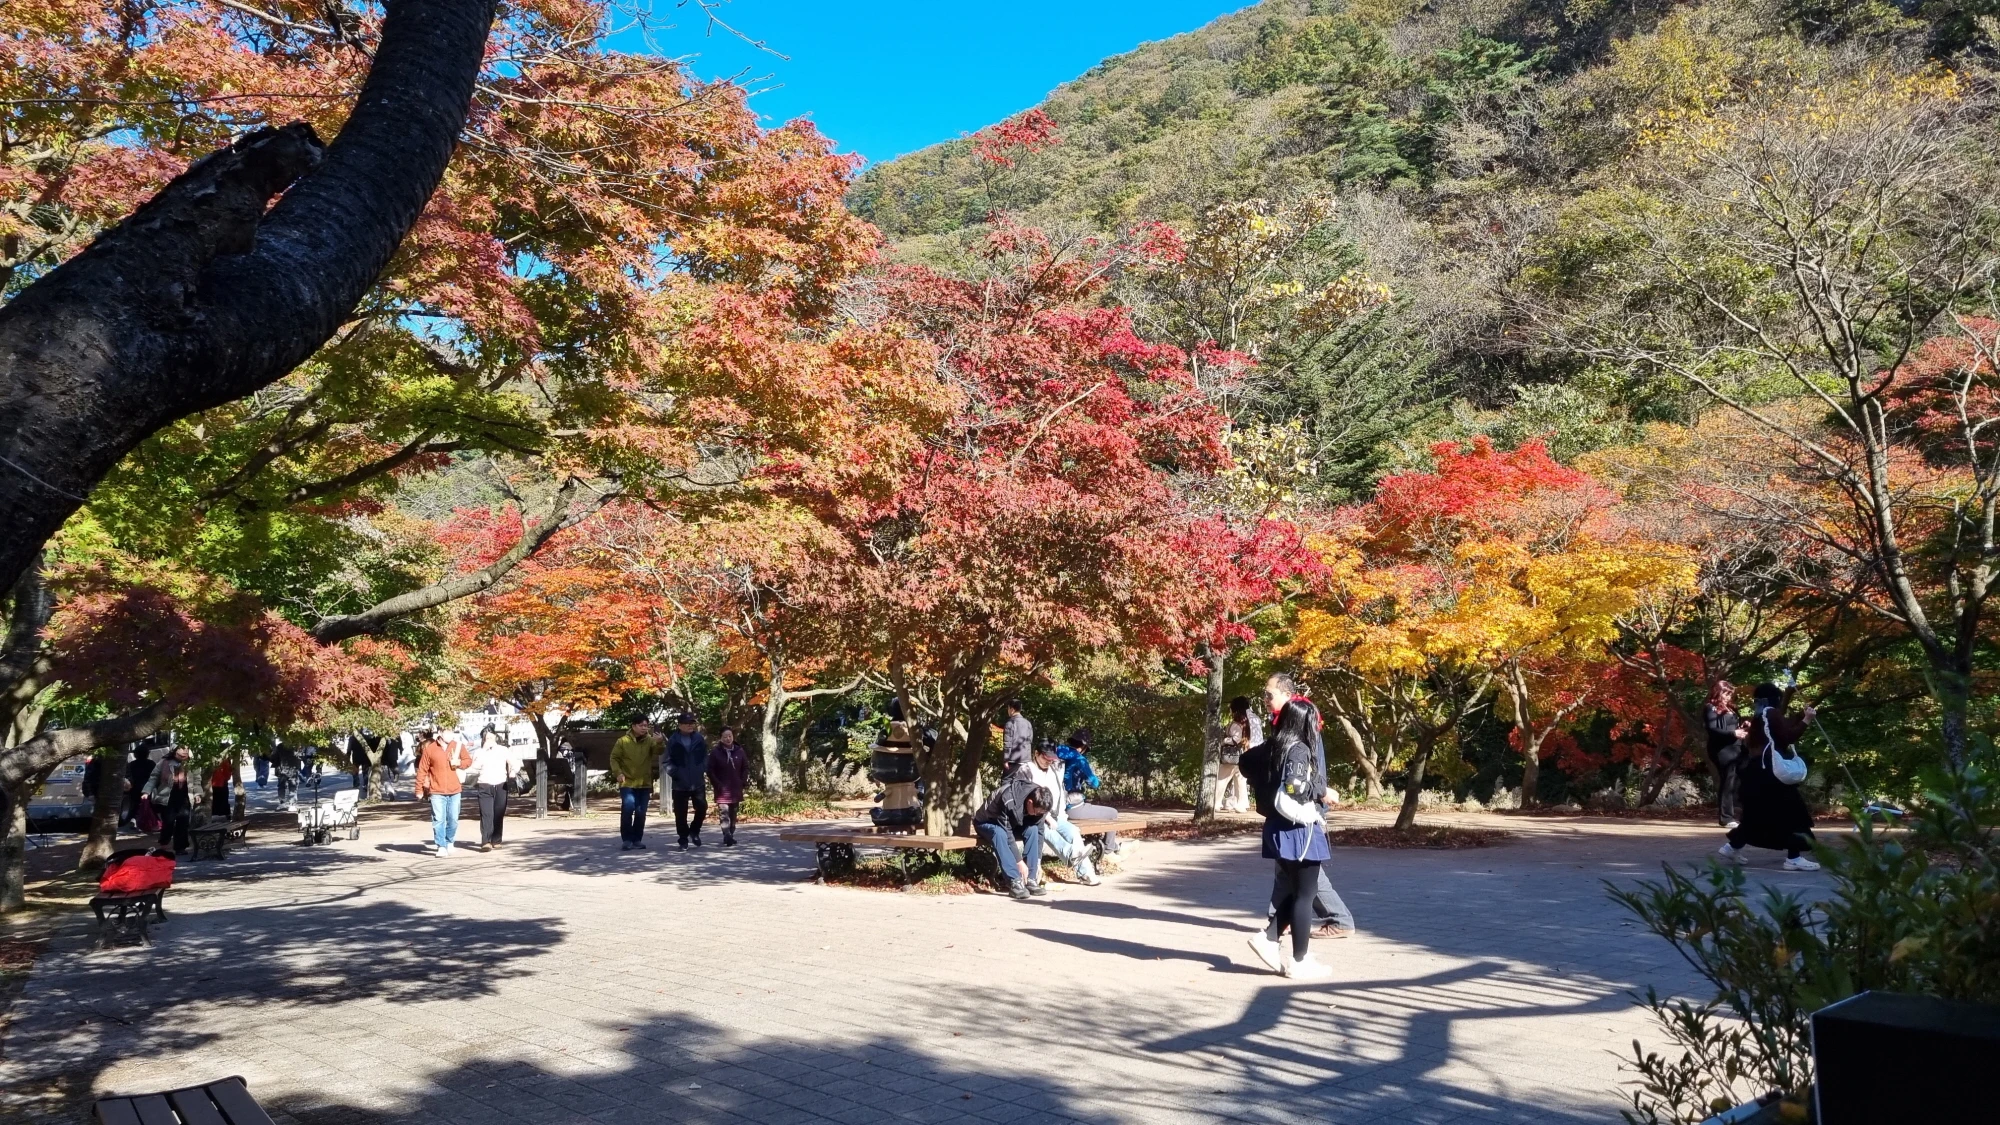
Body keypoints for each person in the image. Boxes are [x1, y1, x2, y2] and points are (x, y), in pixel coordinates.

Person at [1242, 686, 1336, 980]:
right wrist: (1322, 793)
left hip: (1277, 827)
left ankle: (1269, 938)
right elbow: (1295, 786)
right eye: (1315, 721)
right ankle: (1299, 960)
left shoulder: (1275, 746)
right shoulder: (1299, 748)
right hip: (1298, 829)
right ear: (1306, 721)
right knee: (1305, 895)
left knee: (1297, 891)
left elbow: (1246, 764)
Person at [1718, 683, 1820, 871]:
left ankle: (1732, 847)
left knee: (1759, 813)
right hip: (1771, 772)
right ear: (1775, 698)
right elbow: (1788, 737)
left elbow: (1771, 735)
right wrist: (1807, 719)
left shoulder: (1759, 715)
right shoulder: (1772, 713)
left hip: (1757, 770)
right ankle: (1794, 858)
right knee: (1792, 812)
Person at [1025, 744, 1099, 886]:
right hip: (1035, 815)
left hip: (1054, 815)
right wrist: (1049, 819)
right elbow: (1032, 802)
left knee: (1073, 831)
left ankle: (1086, 874)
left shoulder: (1054, 768)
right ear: (1036, 754)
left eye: (1051, 759)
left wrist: (1059, 817)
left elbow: (1058, 795)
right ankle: (1072, 854)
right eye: (1045, 758)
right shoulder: (1029, 770)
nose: (1048, 762)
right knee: (1049, 831)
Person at [974, 773, 1052, 901]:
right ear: (1030, 802)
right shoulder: (1008, 799)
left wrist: (1037, 861)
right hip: (987, 822)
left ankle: (1031, 879)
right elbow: (1007, 834)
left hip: (1013, 824)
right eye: (1037, 812)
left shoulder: (1041, 802)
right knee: (999, 833)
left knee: (1032, 829)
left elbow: (1039, 831)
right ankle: (1014, 881)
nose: (1038, 815)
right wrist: (1019, 862)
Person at [414, 729, 473, 858]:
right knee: (438, 819)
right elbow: (422, 769)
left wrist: (460, 763)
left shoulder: (458, 746)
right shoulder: (430, 749)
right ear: (440, 732)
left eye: (452, 732)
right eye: (447, 732)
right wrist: (419, 789)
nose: (450, 735)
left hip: (455, 789)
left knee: (453, 819)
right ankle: (441, 846)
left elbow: (468, 760)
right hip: (436, 791)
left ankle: (449, 841)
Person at [610, 719, 662, 851]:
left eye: (646, 726)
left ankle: (637, 839)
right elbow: (614, 758)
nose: (644, 728)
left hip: (644, 783)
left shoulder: (650, 740)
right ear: (633, 726)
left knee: (641, 812)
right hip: (627, 782)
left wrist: (660, 742)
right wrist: (618, 773)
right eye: (641, 725)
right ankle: (627, 840)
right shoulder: (623, 741)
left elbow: (659, 751)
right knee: (628, 809)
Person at [1704, 680, 1749, 829]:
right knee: (1728, 781)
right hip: (1722, 750)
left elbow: (1733, 728)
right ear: (1718, 692)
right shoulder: (1710, 708)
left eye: (1730, 694)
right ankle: (1726, 818)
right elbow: (1712, 729)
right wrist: (1733, 733)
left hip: (1737, 748)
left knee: (1742, 780)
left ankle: (1746, 814)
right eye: (1726, 693)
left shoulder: (1731, 709)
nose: (1728, 697)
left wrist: (1742, 726)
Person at [664, 713, 710, 849]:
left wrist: (702, 768)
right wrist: (675, 773)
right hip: (680, 783)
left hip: (697, 781)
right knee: (680, 813)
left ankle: (694, 831)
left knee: (702, 807)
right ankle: (683, 838)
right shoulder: (673, 740)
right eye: (687, 723)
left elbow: (705, 756)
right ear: (680, 725)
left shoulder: (699, 738)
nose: (690, 725)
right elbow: (667, 760)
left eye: (692, 723)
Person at [469, 725, 518, 852]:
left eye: (491, 737)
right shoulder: (479, 752)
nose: (489, 739)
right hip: (484, 784)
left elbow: (515, 763)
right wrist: (484, 751)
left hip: (501, 784)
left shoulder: (503, 750)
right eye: (487, 738)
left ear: (496, 737)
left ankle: (496, 839)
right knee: (486, 814)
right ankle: (486, 841)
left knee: (498, 813)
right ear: (484, 740)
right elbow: (474, 767)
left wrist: (513, 771)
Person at [707, 726, 749, 847]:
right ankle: (727, 834)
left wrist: (742, 781)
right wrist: (717, 783)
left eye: (730, 736)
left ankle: (730, 833)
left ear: (733, 737)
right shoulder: (715, 752)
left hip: (736, 787)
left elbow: (745, 767)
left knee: (733, 812)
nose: (728, 739)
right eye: (725, 737)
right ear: (721, 738)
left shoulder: (739, 750)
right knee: (724, 812)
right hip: (722, 789)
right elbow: (710, 770)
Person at [147, 748, 194, 854]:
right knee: (168, 822)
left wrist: (198, 794)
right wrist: (146, 791)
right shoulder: (164, 762)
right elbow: (153, 777)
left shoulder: (191, 764)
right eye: (180, 753)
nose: (183, 755)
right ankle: (164, 844)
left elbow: (196, 780)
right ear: (174, 752)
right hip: (167, 798)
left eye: (185, 753)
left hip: (184, 797)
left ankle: (180, 847)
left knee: (183, 822)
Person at [1220, 696, 1260, 814]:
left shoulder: (1239, 721)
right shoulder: (1255, 718)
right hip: (1253, 752)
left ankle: (1215, 802)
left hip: (1235, 754)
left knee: (1221, 778)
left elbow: (1236, 739)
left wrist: (1223, 740)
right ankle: (1240, 804)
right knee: (1241, 779)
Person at [122, 746, 153, 828]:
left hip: (135, 788)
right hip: (148, 788)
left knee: (134, 805)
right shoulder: (151, 764)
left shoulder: (132, 765)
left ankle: (133, 820)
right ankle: (144, 821)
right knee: (148, 805)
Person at [1001, 700, 1034, 771]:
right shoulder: (1028, 723)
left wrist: (1006, 759)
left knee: (1007, 781)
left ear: (1012, 709)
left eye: (1008, 708)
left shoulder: (1010, 724)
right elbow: (1030, 740)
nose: (1008, 711)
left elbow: (1007, 743)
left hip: (1013, 760)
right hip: (1026, 760)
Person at [272, 741, 301, 811]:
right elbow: (299, 758)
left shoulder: (280, 746)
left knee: (282, 786)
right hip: (292, 769)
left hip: (282, 769)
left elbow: (274, 758)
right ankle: (292, 804)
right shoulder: (296, 746)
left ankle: (282, 803)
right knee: (293, 787)